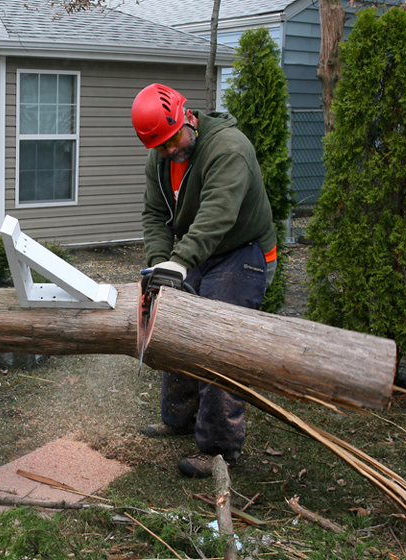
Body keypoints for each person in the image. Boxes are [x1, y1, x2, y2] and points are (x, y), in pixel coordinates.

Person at [130, 83, 277, 478]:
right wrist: (161, 265)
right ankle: (177, 419)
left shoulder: (228, 148)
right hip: (197, 250)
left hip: (242, 252)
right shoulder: (160, 159)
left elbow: (218, 214)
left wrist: (180, 262)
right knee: (173, 327)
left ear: (187, 116)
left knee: (216, 344)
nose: (169, 150)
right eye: (159, 146)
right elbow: (155, 215)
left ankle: (218, 449)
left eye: (172, 140)